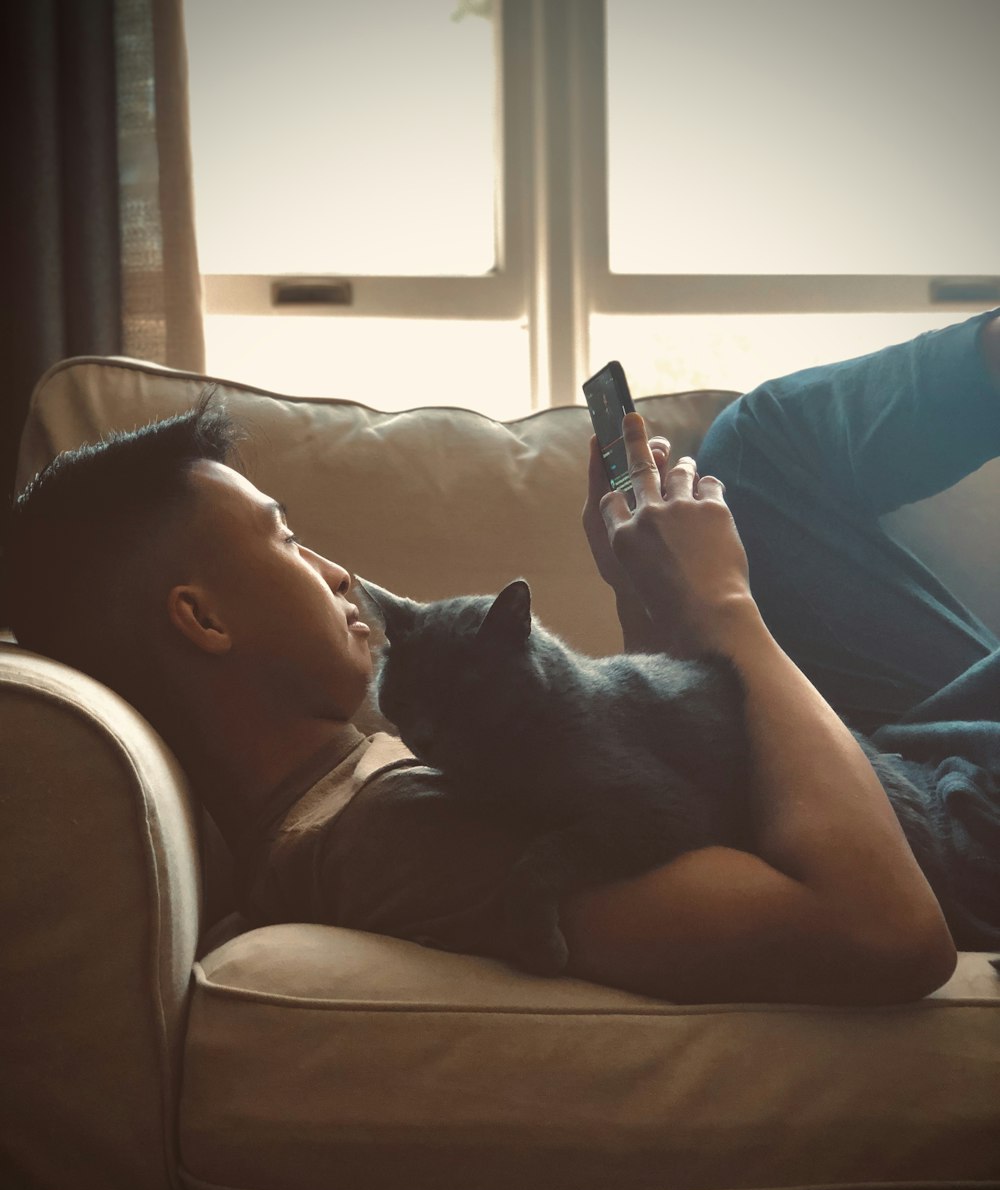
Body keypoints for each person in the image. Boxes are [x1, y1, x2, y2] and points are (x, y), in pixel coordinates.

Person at [4, 311, 999, 1006]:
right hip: (952, 830)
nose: (334, 570)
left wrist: (649, 602)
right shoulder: (387, 837)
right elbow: (881, 932)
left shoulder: (358, 787)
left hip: (891, 764)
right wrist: (723, 605)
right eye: (283, 538)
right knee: (767, 450)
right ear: (202, 619)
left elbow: (659, 790)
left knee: (759, 446)